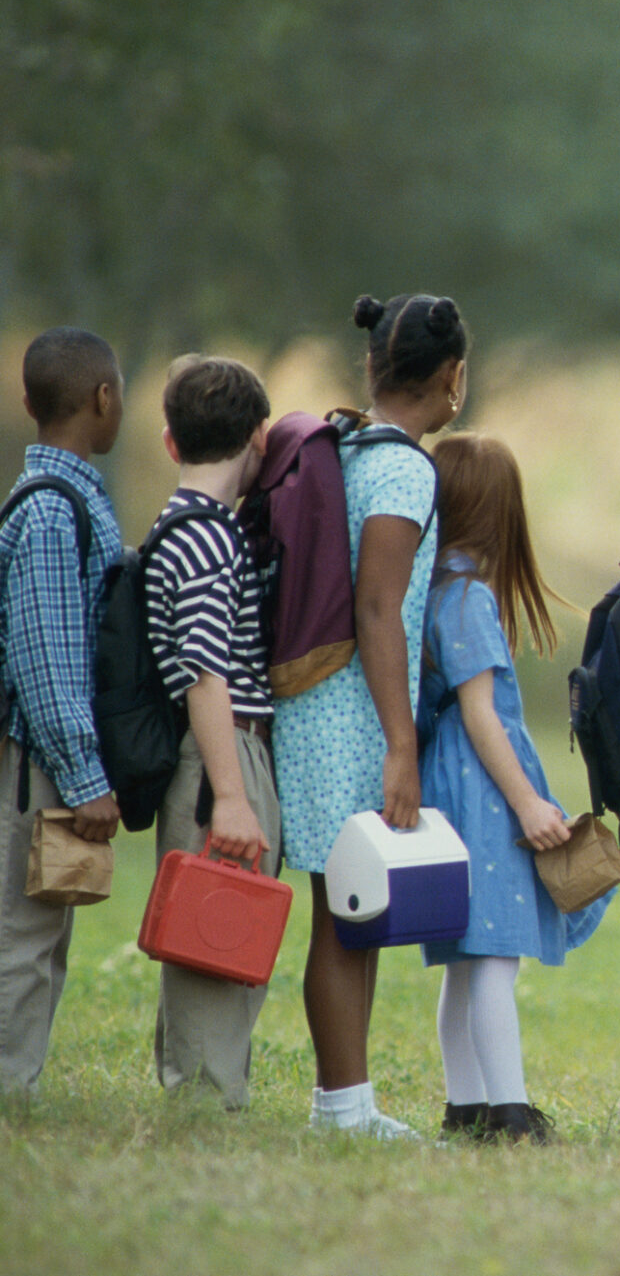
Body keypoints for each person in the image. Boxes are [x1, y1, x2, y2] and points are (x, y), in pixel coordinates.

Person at [273, 293, 467, 1138]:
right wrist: (401, 744)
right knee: (346, 915)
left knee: (347, 905)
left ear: (372, 368)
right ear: (453, 379)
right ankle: (342, 1106)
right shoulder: (406, 470)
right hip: (355, 712)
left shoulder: (347, 446)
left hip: (316, 701)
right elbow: (380, 607)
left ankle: (346, 1101)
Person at [418, 431, 604, 1145]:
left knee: (466, 960)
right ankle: (510, 1112)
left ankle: (466, 1107)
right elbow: (480, 713)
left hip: (456, 780)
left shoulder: (439, 586)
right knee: (494, 955)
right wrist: (528, 799)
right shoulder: (467, 596)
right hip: (481, 788)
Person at [143, 355, 279, 1109]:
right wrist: (229, 794)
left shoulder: (205, 529)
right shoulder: (204, 538)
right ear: (259, 436)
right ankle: (204, 1100)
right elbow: (204, 671)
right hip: (221, 754)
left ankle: (211, 1088)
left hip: (230, 749)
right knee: (214, 932)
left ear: (171, 441)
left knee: (228, 929)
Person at [0, 328, 125, 1095]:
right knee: (22, 932)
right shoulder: (52, 512)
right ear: (103, 399)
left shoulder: (61, 498)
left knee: (42, 930)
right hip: (40, 760)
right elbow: (46, 660)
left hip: (50, 756)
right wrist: (83, 776)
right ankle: (10, 1090)